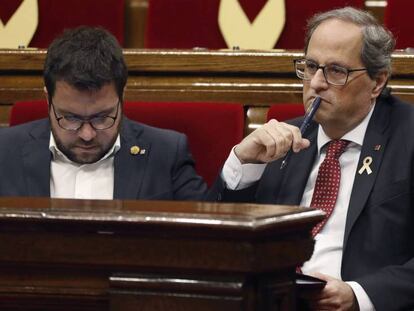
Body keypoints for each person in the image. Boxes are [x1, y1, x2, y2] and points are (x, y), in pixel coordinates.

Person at [211, 7, 414, 311]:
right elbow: (219, 246)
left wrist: (359, 295)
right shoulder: (281, 139)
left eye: (336, 71)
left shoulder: (407, 135)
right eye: (310, 66)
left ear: (377, 82)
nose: (317, 83)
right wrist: (244, 163)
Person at [0, 27, 207, 200]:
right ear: (48, 99)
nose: (87, 135)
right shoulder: (4, 151)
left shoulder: (167, 153)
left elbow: (209, 235)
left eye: (102, 117)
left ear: (122, 97)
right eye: (71, 118)